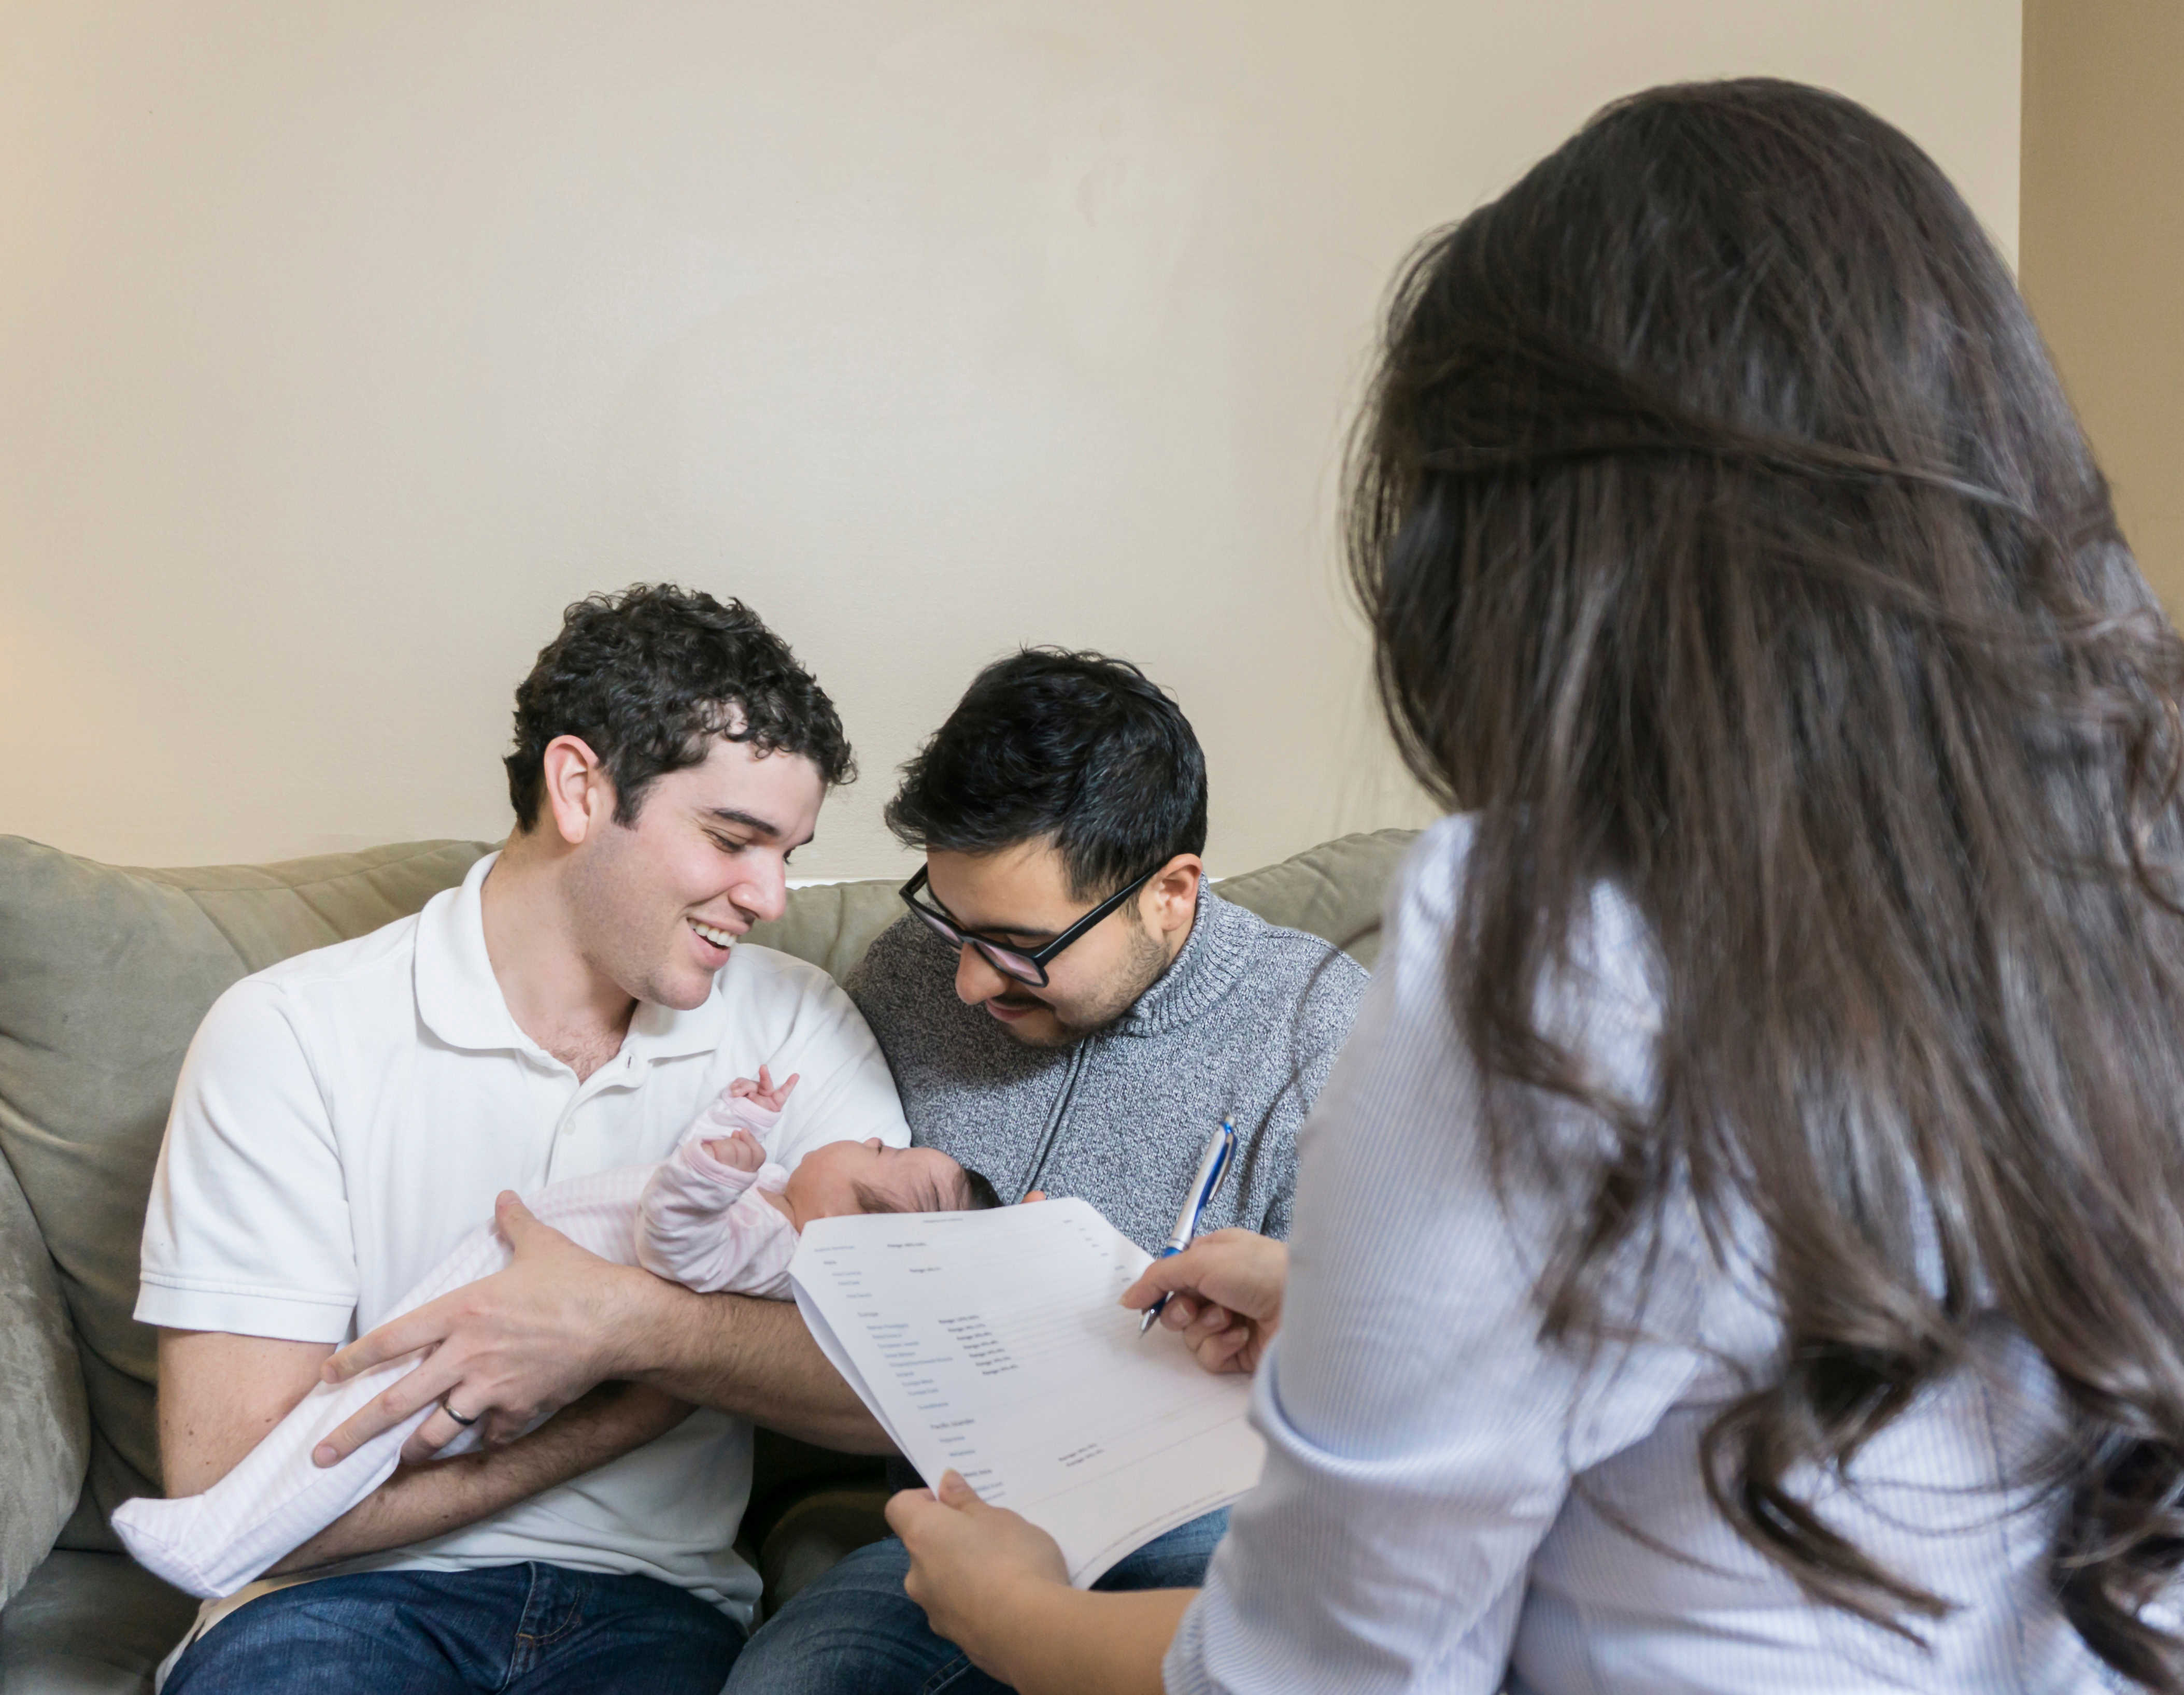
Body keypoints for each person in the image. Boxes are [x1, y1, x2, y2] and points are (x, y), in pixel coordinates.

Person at [882, 79, 2184, 1693]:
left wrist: (1025, 1622)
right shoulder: (2129, 847)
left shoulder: (1540, 944)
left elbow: (1325, 1674)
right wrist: (1344, 1307)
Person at [138, 586, 914, 1692]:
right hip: (330, 1610)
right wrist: (646, 1394)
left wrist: (626, 1327)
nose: (772, 896)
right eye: (735, 840)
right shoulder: (291, 1033)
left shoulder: (796, 1025)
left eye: (788, 853)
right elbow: (224, 1490)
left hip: (656, 1616)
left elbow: (894, 1384)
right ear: (581, 787)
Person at [725, 648, 1368, 1694]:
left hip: (1221, 1526)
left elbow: (1393, 1384)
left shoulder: (1329, 1031)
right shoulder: (904, 975)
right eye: (950, 922)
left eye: (1020, 947)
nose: (971, 980)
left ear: (1169, 893)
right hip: (962, 1519)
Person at [118, 1068, 999, 1602]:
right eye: (885, 1149)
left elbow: (677, 1237)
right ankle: (223, 1524)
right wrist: (741, 1137)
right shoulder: (772, 1194)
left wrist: (716, 1161)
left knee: (366, 1428)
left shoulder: (776, 1246)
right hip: (505, 1269)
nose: (872, 1150)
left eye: (883, 1174)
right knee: (354, 1415)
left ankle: (218, 1540)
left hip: (512, 1296)